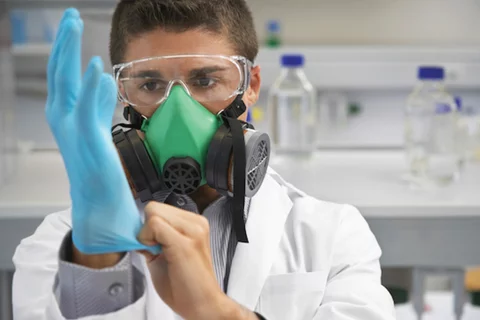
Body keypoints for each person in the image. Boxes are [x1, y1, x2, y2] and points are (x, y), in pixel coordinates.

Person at [12, 1, 395, 319]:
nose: (179, 111)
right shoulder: (58, 244)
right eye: (149, 85)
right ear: (123, 96)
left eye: (206, 81)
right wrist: (94, 264)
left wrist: (216, 312)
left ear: (252, 85)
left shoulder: (332, 235)